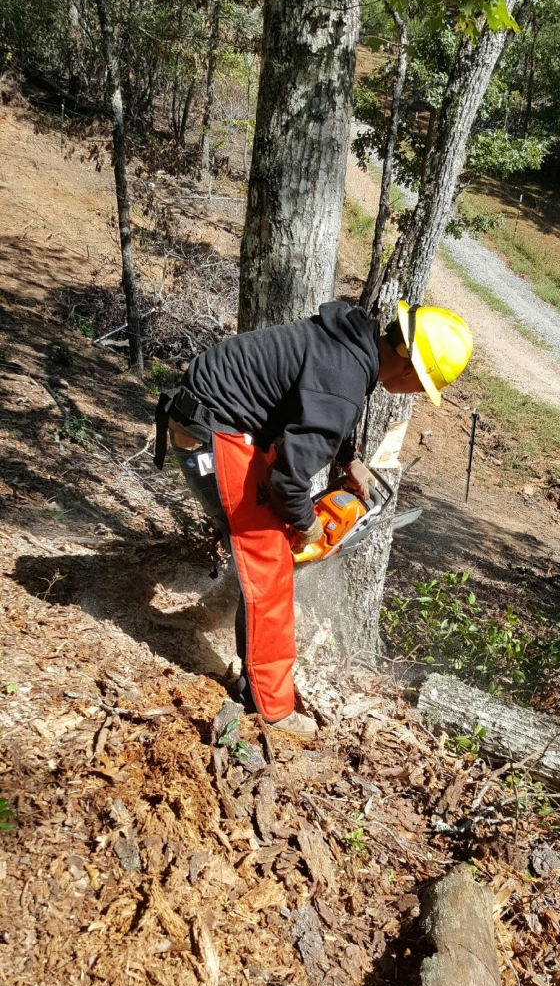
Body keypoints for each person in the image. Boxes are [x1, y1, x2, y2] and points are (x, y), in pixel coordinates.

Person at [154, 299, 472, 736]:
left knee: (272, 544)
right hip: (213, 430)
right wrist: (307, 526)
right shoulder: (345, 381)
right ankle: (272, 707)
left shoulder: (349, 346)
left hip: (223, 419)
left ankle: (241, 646)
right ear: (413, 371)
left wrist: (350, 459)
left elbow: (313, 403)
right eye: (424, 387)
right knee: (270, 564)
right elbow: (289, 479)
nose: (417, 393)